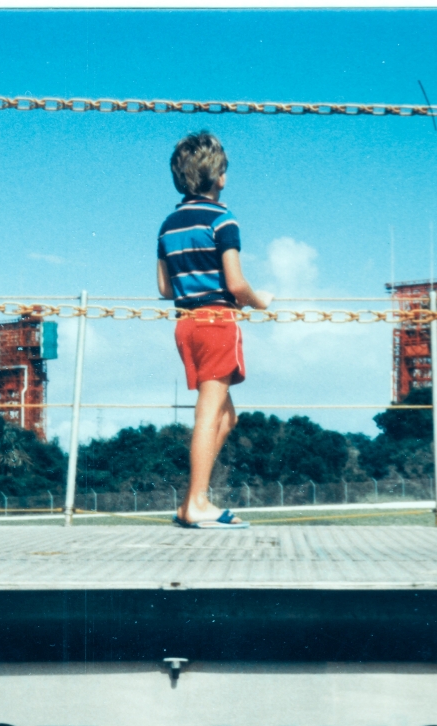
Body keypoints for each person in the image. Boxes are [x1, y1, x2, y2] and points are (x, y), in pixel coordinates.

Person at [158, 131, 273, 529]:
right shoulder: (223, 219)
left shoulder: (169, 224)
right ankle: (198, 503)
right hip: (217, 323)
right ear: (219, 176)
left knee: (227, 418)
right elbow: (237, 284)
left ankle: (191, 500)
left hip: (185, 326)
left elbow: (163, 288)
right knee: (210, 414)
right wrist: (262, 302)